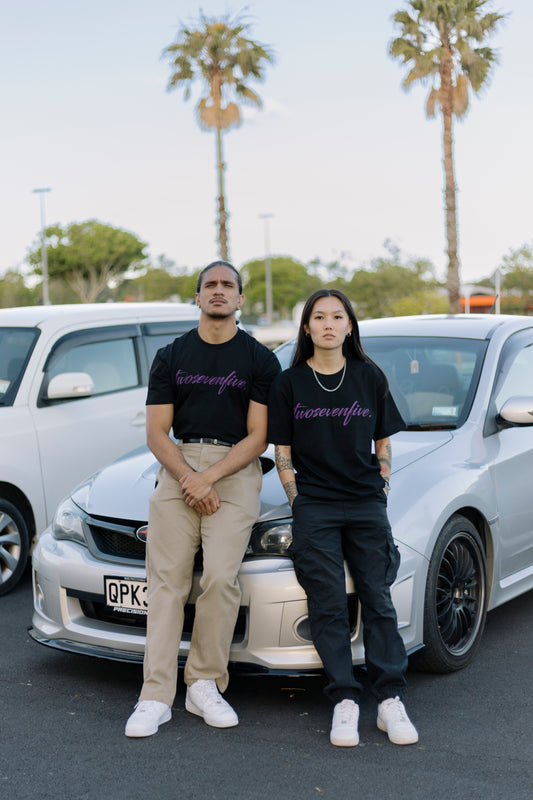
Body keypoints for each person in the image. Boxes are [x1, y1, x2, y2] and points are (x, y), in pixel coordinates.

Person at [125, 260, 280, 738]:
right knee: (166, 582)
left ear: (239, 300)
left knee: (218, 577)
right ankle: (154, 695)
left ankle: (204, 684)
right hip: (178, 464)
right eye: (209, 285)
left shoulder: (260, 359)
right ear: (197, 297)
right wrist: (189, 477)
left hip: (234, 468)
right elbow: (156, 432)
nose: (218, 291)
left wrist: (207, 477)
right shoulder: (171, 355)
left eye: (227, 285)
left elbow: (259, 437)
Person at [267, 289, 418, 747]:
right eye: (319, 317)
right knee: (328, 603)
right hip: (316, 507)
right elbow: (283, 452)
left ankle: (389, 700)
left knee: (378, 598)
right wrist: (298, 501)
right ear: (307, 327)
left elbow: (383, 443)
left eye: (337, 316)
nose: (328, 324)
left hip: (366, 504)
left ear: (350, 326)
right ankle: (345, 700)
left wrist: (383, 489)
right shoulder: (289, 383)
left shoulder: (369, 377)